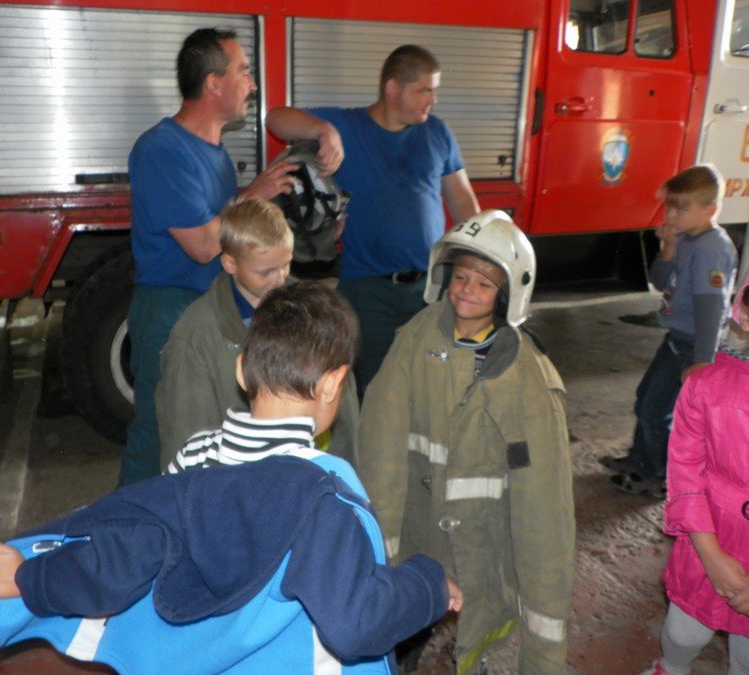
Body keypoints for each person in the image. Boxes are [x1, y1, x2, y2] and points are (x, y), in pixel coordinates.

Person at [0, 282, 462, 674]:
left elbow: (120, 559)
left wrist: (27, 577)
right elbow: (355, 622)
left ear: (242, 372)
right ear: (334, 382)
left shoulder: (192, 463)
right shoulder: (323, 495)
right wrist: (429, 584)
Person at [357, 210, 575, 674]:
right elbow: (380, 442)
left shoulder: (529, 380)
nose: (464, 290)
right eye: (459, 276)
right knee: (404, 631)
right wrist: (380, 558)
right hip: (418, 533)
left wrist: (544, 658)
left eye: (482, 283)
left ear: (509, 294)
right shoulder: (417, 338)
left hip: (484, 547)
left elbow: (544, 510)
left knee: (476, 636)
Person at [121, 27, 316, 485]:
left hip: (211, 304)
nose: (253, 83)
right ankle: (130, 523)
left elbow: (231, 235)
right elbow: (204, 245)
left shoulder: (213, 152)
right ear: (213, 83)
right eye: (244, 71)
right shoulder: (161, 149)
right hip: (170, 310)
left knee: (207, 430)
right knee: (159, 434)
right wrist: (253, 195)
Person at [265, 44, 481, 397]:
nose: (432, 100)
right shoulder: (347, 126)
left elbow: (461, 199)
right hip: (368, 291)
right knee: (373, 389)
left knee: (430, 384)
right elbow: (275, 118)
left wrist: (483, 258)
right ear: (392, 88)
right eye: (423, 90)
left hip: (429, 287)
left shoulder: (437, 132)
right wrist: (322, 130)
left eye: (434, 90)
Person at [156, 197, 359, 469]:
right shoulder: (196, 338)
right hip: (234, 482)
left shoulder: (313, 316)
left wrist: (346, 478)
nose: (279, 279)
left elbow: (343, 415)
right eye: (265, 272)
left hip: (312, 475)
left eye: (286, 265)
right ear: (230, 263)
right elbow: (185, 435)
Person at [602, 165, 738, 497]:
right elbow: (662, 283)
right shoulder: (687, 238)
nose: (672, 216)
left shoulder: (711, 249)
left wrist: (703, 360)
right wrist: (668, 250)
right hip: (676, 340)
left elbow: (712, 307)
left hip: (693, 346)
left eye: (682, 209)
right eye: (669, 207)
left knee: (656, 411)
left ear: (710, 211)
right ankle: (639, 458)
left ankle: (657, 476)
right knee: (645, 401)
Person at [640, 279, 749, 675]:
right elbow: (685, 472)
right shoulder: (705, 386)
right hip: (710, 538)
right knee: (685, 631)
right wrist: (711, 555)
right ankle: (670, 668)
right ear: (745, 314)